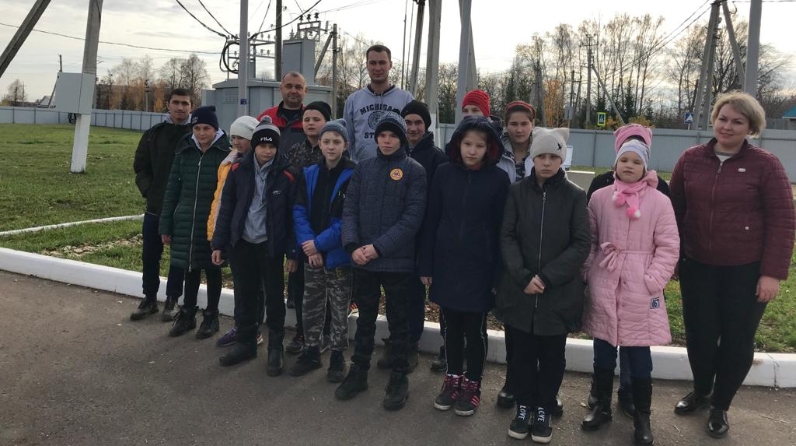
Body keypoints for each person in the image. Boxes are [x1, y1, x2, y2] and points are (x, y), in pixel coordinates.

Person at [669, 91, 795, 439]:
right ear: (714, 120)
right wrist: (672, 256)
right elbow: (673, 210)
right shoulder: (690, 159)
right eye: (723, 118)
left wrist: (771, 273)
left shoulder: (766, 165)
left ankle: (720, 405)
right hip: (698, 266)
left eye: (737, 121)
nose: (728, 126)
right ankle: (701, 391)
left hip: (746, 270)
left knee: (737, 341)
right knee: (700, 336)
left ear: (750, 127)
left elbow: (783, 221)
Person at [580, 139, 680, 445]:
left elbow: (668, 245)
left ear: (645, 167)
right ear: (616, 163)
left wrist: (653, 279)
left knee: (639, 355)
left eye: (636, 162)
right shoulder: (599, 198)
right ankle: (602, 407)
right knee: (603, 349)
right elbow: (590, 239)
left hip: (640, 286)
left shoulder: (659, 201)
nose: (629, 166)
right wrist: (589, 271)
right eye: (624, 160)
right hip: (605, 280)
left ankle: (642, 416)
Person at [496, 127, 590, 443]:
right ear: (532, 158)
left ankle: (543, 408)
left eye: (553, 156)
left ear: (562, 159)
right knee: (521, 355)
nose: (547, 162)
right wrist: (523, 276)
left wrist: (547, 277)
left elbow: (581, 243)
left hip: (556, 294)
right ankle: (523, 406)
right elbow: (507, 236)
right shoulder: (517, 192)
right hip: (520, 291)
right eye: (541, 156)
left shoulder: (575, 196)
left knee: (551, 357)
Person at [335, 112, 427, 411]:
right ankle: (359, 370)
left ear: (401, 139)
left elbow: (412, 219)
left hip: (396, 262)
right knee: (365, 319)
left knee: (399, 322)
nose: (387, 141)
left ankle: (399, 377)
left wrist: (378, 248)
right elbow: (350, 209)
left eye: (393, 136)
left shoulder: (414, 171)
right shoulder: (364, 167)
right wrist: (353, 245)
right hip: (363, 260)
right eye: (382, 136)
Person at [420, 116, 510, 417]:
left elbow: (502, 230)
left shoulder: (498, 180)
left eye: (479, 146)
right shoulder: (444, 173)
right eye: (467, 144)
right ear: (458, 144)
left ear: (489, 148)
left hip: (479, 267)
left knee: (475, 330)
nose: (472, 150)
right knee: (451, 328)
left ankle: (473, 383)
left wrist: (497, 274)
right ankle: (452, 379)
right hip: (447, 263)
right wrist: (426, 263)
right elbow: (432, 219)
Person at [211, 116, 299, 373]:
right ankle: (246, 342)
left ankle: (275, 348)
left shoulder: (287, 174)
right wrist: (219, 243)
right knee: (244, 295)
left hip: (270, 246)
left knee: (274, 297)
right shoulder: (238, 169)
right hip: (242, 243)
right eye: (262, 145)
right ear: (255, 145)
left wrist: (292, 252)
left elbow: (293, 216)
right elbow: (226, 207)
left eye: (272, 146)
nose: (267, 151)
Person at [375, 100, 448, 373]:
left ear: (426, 126)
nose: (413, 128)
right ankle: (396, 340)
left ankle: (410, 343)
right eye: (408, 123)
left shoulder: (437, 159)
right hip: (394, 237)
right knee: (395, 294)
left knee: (415, 294)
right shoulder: (392, 155)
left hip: (422, 237)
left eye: (418, 122)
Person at [289, 119, 356, 382]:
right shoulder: (309, 173)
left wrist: (319, 244)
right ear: (320, 144)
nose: (330, 146)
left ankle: (338, 355)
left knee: (339, 308)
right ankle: (311, 350)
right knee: (312, 304)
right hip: (312, 254)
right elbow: (299, 211)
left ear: (345, 145)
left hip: (338, 256)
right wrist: (310, 245)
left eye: (336, 142)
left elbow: (347, 218)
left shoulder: (353, 175)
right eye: (326, 141)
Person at [159, 105, 230, 339]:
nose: (201, 133)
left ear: (215, 129)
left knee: (212, 269)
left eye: (206, 128)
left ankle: (211, 316)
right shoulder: (184, 151)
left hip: (211, 223)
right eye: (197, 128)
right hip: (185, 221)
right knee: (189, 267)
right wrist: (166, 224)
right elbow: (172, 190)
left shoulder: (225, 154)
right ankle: (187, 313)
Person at [131, 88, 192, 321]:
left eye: (185, 103)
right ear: (168, 105)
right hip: (155, 207)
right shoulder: (153, 134)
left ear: (191, 107)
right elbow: (140, 167)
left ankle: (172, 300)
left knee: (178, 258)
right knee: (150, 255)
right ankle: (149, 298)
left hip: (182, 209)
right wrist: (149, 191)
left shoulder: (196, 135)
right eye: (176, 102)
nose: (180, 107)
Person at [206, 116, 266, 348]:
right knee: (241, 286)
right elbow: (223, 201)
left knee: (254, 287)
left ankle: (252, 329)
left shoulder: (257, 166)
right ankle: (242, 327)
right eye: (233, 137)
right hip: (233, 234)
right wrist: (218, 237)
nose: (237, 142)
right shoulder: (229, 163)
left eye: (242, 137)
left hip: (253, 235)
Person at [257, 72, 308, 320]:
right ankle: (267, 303)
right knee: (269, 254)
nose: (293, 91)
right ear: (281, 88)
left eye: (298, 87)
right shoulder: (266, 118)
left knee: (296, 254)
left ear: (305, 91)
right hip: (268, 196)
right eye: (289, 86)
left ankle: (295, 304)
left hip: (300, 196)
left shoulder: (310, 119)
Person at [284, 101, 334, 355]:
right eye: (307, 119)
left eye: (316, 119)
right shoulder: (295, 151)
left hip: (325, 229)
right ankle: (302, 331)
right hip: (299, 226)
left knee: (324, 285)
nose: (311, 123)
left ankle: (324, 331)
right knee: (300, 284)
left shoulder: (332, 152)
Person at [343, 45, 413, 163]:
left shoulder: (406, 99)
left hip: (397, 168)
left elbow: (412, 137)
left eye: (382, 62)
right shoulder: (353, 100)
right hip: (361, 167)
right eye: (373, 63)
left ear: (390, 65)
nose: (377, 68)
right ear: (367, 65)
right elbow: (347, 139)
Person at [500, 101, 536, 183]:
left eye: (524, 124)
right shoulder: (496, 153)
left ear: (532, 125)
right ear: (506, 125)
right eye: (514, 124)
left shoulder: (542, 153)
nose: (519, 130)